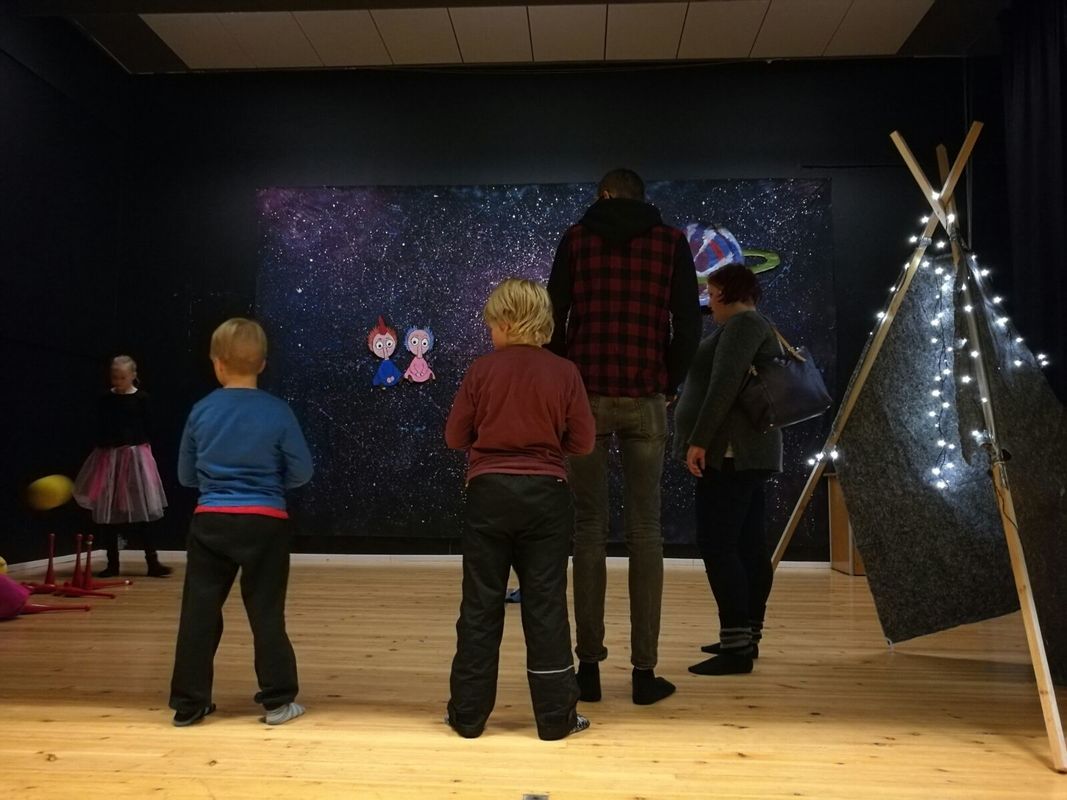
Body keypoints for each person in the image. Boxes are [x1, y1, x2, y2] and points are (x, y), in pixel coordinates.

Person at [547, 168, 700, 705]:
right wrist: (668, 381)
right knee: (646, 532)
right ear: (642, 196)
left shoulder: (576, 238)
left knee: (588, 530)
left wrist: (567, 378)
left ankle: (588, 669)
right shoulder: (671, 242)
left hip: (586, 397)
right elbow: (688, 322)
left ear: (603, 195)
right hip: (645, 398)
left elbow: (554, 316)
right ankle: (643, 673)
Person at [445, 278, 595, 740]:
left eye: (492, 324)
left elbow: (454, 437)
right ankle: (555, 720)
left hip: (488, 495)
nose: (490, 332)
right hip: (547, 497)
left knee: (480, 605)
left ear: (508, 323)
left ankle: (468, 717)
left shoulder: (481, 370)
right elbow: (583, 442)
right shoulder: (565, 372)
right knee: (546, 605)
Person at [169, 318, 313, 727]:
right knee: (266, 612)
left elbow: (186, 476)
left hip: (211, 521)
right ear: (263, 364)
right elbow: (302, 471)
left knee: (199, 613)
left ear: (217, 363)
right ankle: (278, 702)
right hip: (266, 522)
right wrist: (270, 486)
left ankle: (189, 704)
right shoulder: (278, 411)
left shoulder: (201, 411)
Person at [673, 263, 783, 675]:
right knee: (747, 545)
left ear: (723, 292)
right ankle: (745, 638)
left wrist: (699, 440)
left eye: (711, 291)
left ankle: (737, 646)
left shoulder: (742, 326)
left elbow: (724, 385)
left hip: (733, 454)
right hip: (745, 454)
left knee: (718, 545)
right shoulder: (749, 325)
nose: (709, 300)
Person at [73, 355, 171, 577]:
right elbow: (100, 425)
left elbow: (150, 427)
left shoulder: (142, 399)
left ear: (133, 376)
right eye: (114, 377)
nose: (118, 381)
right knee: (109, 510)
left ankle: (152, 562)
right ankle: (113, 564)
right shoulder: (105, 399)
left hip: (135, 458)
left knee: (143, 509)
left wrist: (138, 446)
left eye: (123, 377)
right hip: (110, 458)